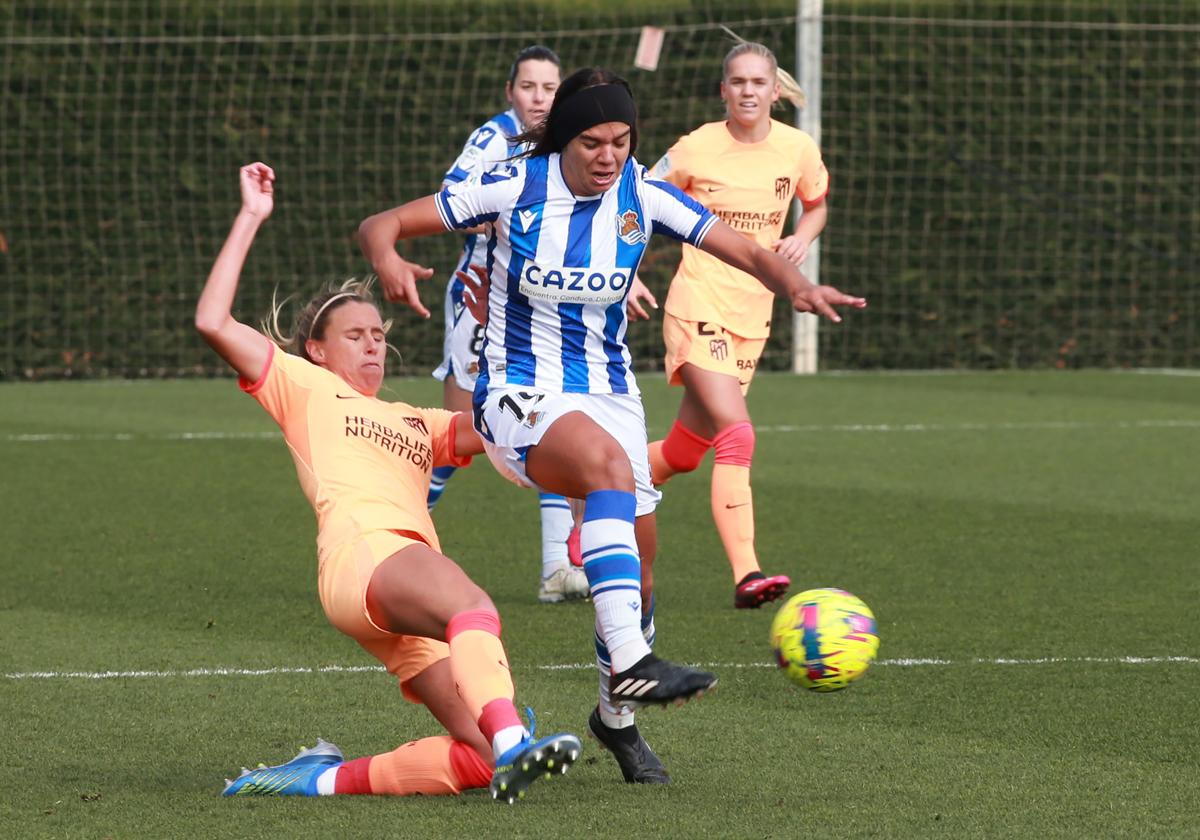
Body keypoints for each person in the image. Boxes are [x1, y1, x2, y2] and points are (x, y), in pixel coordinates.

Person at [358, 68, 865, 784]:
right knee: (602, 468)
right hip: (515, 391)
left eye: (622, 142)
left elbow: (748, 251)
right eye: (593, 142)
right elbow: (382, 223)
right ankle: (632, 662)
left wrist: (799, 284)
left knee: (641, 574)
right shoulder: (511, 187)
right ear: (564, 138)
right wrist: (387, 256)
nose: (608, 157)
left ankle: (615, 720)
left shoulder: (644, 195)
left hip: (610, 394)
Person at [196, 162, 580, 804]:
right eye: (355, 334)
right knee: (472, 609)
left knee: (477, 760)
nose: (373, 345)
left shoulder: (414, 421)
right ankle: (516, 740)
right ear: (317, 350)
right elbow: (212, 321)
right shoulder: (301, 382)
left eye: (379, 334)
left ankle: (315, 780)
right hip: (366, 554)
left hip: (390, 589)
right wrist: (250, 218)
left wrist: (506, 331)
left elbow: (498, 422)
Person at [646, 40, 832, 610]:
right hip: (698, 303)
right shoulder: (694, 149)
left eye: (758, 82)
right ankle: (748, 572)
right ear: (723, 90)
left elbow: (818, 202)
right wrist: (625, 272)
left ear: (775, 91)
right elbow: (637, 203)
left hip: (754, 314)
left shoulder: (797, 148)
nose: (748, 91)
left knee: (684, 452)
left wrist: (804, 233)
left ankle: (593, 493)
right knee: (738, 432)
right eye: (738, 82)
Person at [425, 46, 589, 606]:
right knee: (453, 437)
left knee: (553, 422)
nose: (539, 97)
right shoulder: (493, 139)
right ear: (510, 92)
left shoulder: (570, 141)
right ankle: (391, 537)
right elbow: (452, 200)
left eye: (549, 87)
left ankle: (555, 571)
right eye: (529, 87)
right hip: (481, 296)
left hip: (541, 305)